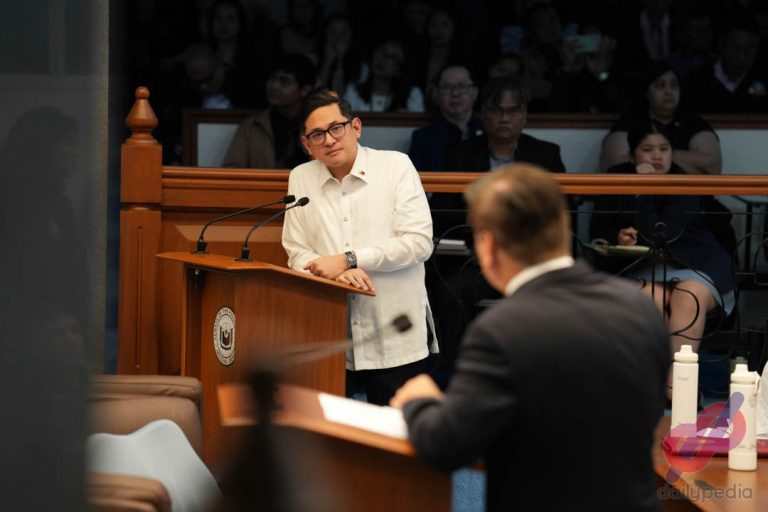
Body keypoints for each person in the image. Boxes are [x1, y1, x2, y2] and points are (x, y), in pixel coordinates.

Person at [391, 164, 669, 512]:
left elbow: (447, 446)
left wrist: (419, 401)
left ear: (487, 245)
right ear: (562, 229)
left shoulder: (500, 330)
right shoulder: (640, 307)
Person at [281, 89, 438, 405]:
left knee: (392, 431)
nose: (329, 140)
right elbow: (296, 251)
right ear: (307, 144)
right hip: (331, 332)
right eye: (317, 134)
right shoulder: (300, 177)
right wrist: (334, 272)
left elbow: (419, 242)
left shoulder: (396, 166)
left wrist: (349, 259)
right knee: (331, 429)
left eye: (336, 128)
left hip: (394, 332)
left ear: (356, 127)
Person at [590, 121, 735, 396]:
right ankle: (645, 386)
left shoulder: (683, 181)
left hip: (695, 262)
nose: (657, 156)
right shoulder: (616, 176)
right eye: (647, 149)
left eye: (664, 149)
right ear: (632, 155)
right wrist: (618, 236)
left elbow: (660, 234)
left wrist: (643, 190)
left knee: (688, 296)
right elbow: (598, 229)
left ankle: (676, 387)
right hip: (642, 266)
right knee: (649, 298)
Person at [223, 54, 316, 168]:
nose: (274, 86)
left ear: (304, 90)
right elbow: (231, 167)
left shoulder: (318, 125)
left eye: (284, 81)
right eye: (273, 79)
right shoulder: (253, 125)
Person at [684, 8, 768, 113]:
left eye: (749, 49)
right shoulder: (697, 82)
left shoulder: (764, 79)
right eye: (735, 47)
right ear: (721, 45)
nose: (741, 56)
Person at [407, 64, 483, 172]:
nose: (455, 93)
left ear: (475, 92)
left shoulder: (488, 130)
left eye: (462, 86)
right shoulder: (423, 138)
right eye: (447, 87)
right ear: (437, 94)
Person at [343, 39, 425, 112]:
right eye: (381, 52)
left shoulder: (413, 95)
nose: (382, 59)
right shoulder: (353, 91)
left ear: (399, 69)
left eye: (391, 57)